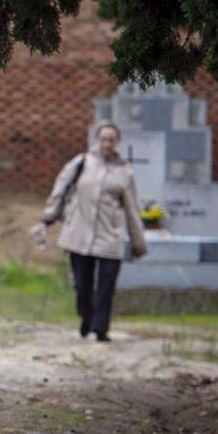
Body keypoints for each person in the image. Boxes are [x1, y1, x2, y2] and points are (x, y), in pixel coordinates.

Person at [34, 122, 147, 342]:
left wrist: (138, 242)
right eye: (103, 139)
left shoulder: (124, 171)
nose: (107, 144)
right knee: (82, 286)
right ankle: (86, 317)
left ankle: (100, 329)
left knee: (106, 286)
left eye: (111, 140)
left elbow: (132, 208)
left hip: (110, 235)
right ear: (97, 140)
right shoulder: (82, 162)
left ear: (117, 142)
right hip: (79, 232)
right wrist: (48, 218)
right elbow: (60, 190)